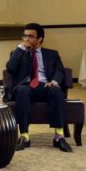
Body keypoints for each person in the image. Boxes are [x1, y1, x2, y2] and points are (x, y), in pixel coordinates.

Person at [6, 23, 72, 152]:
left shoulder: (52, 54)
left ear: (40, 38)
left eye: (30, 36)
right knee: (22, 91)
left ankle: (59, 137)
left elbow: (60, 70)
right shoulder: (18, 53)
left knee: (55, 90)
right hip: (26, 86)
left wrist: (54, 81)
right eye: (25, 36)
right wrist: (21, 48)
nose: (26, 39)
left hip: (45, 85)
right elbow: (10, 68)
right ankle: (24, 136)